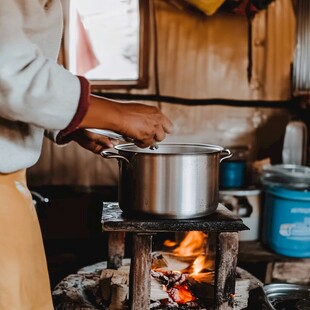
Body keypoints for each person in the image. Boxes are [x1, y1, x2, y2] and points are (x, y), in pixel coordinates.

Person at [0, 1, 173, 309]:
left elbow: (29, 67)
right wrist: (116, 114)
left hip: (12, 189)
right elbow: (9, 73)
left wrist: (73, 124)